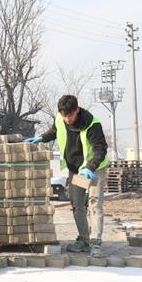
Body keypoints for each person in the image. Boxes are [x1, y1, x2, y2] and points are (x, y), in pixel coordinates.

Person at [26, 94, 108, 255]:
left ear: (77, 110)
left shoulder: (92, 124)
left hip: (93, 169)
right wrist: (41, 138)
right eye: (64, 116)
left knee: (94, 204)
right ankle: (84, 240)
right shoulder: (60, 118)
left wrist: (90, 167)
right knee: (77, 205)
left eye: (69, 115)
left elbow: (101, 149)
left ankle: (96, 243)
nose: (67, 119)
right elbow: (55, 131)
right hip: (76, 169)